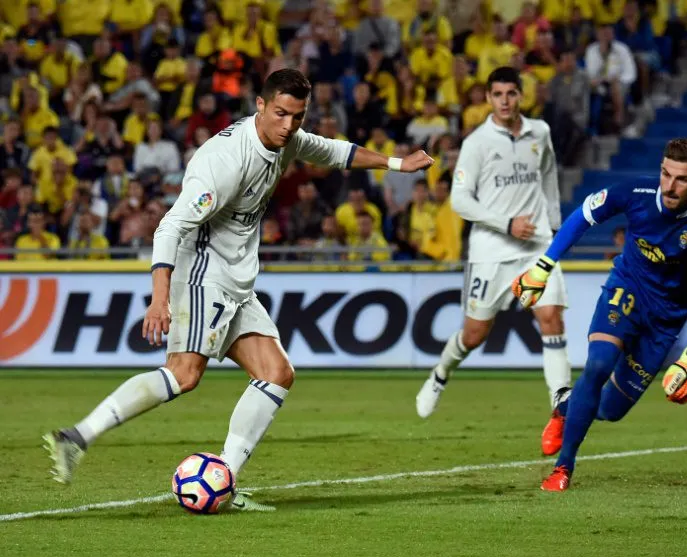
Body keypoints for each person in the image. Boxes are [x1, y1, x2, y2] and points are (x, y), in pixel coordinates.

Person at [43, 69, 433, 511]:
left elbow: (332, 151)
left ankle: (224, 482)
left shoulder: (287, 139)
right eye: (281, 113)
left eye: (298, 116)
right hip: (201, 273)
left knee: (276, 374)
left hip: (237, 280)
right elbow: (169, 227)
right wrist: (159, 298)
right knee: (183, 375)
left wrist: (397, 164)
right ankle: (76, 437)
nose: (289, 125)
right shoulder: (226, 162)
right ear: (260, 106)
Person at [513, 138, 687, 491]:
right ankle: (563, 468)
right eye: (666, 174)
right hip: (627, 290)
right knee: (599, 364)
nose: (670, 186)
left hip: (664, 320)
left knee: (610, 410)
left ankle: (566, 405)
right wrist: (543, 266)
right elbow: (583, 216)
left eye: (682, 179)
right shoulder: (635, 192)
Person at [415, 67, 572, 438]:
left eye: (511, 93)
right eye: (497, 94)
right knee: (474, 335)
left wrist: (555, 228)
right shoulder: (477, 143)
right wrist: (506, 223)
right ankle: (440, 374)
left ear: (521, 95)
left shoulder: (540, 132)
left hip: (536, 245)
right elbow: (460, 200)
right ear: (488, 98)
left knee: (551, 316)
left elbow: (548, 179)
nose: (505, 101)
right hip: (492, 251)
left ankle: (562, 401)